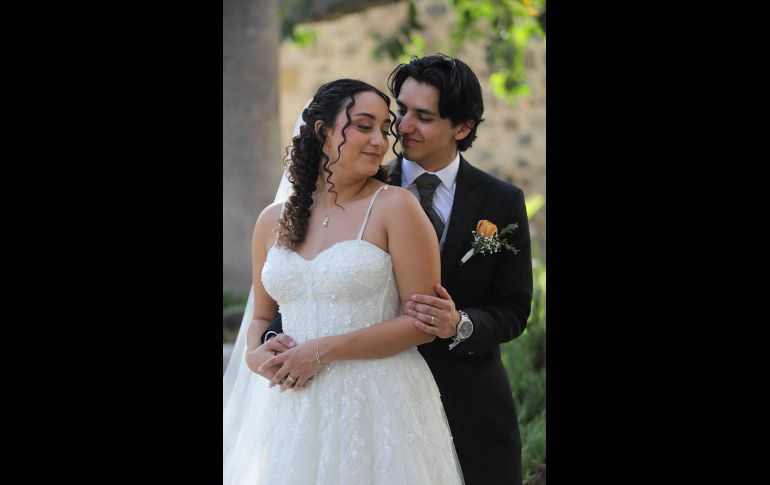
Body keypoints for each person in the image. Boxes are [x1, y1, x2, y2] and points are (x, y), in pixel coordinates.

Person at [259, 54, 534, 484]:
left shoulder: (501, 202)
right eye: (401, 111)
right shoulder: (354, 182)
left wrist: (457, 324)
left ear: (461, 128)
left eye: (422, 116)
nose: (402, 127)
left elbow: (514, 308)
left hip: (469, 400)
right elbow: (306, 288)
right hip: (346, 400)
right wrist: (273, 343)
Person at [222, 78, 464, 485]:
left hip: (378, 404)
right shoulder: (271, 220)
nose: (379, 141)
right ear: (322, 131)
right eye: (363, 125)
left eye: (384, 130)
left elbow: (421, 323)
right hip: (291, 408)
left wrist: (320, 352)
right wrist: (253, 354)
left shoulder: (396, 207)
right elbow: (261, 319)